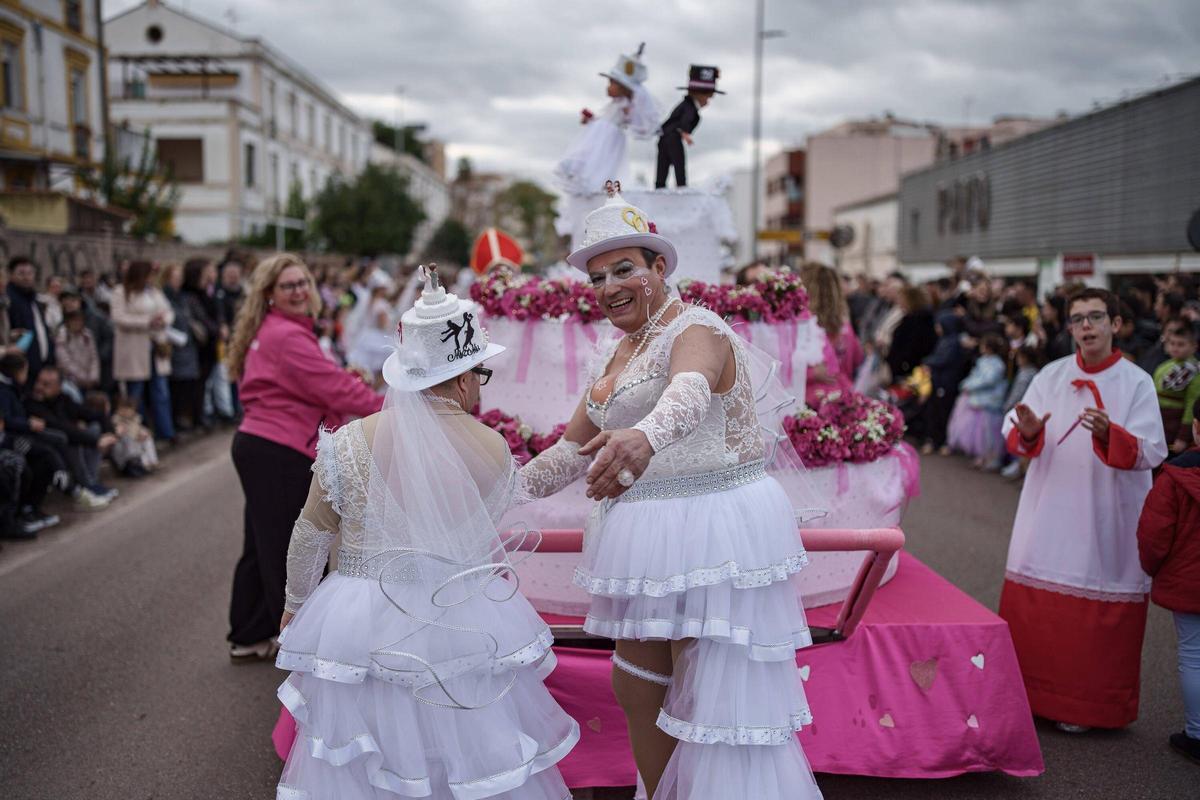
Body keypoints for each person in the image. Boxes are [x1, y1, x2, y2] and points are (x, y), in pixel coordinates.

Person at [518, 188, 823, 799]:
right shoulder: (620, 350)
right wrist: (487, 490)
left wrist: (643, 438)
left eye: (624, 269)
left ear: (660, 268)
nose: (608, 287)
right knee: (636, 688)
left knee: (705, 696)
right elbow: (567, 454)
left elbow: (689, 392)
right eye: (598, 277)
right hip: (648, 537)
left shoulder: (698, 328)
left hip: (713, 528)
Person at [275, 265, 578, 798]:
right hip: (459, 613)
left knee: (371, 753)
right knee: (460, 750)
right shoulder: (492, 449)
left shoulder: (348, 441)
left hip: (358, 616)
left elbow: (309, 535)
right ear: (463, 378)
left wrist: (297, 606)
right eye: (480, 375)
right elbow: (514, 497)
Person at [1001, 288, 1167, 732]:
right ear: (1069, 328)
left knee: (1096, 602)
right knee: (1038, 603)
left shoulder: (1137, 383)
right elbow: (1014, 428)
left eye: (1096, 317)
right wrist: (1030, 430)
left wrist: (1110, 434)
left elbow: (1153, 449)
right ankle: (1033, 695)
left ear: (1116, 324)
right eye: (1078, 319)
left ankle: (1086, 707)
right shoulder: (1050, 376)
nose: (1086, 326)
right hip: (1049, 506)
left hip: (1105, 513)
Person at [224, 253, 383, 662]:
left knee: (262, 541)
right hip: (279, 447)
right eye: (287, 285)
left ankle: (251, 632)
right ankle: (307, 642)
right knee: (294, 546)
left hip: (262, 443)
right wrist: (388, 409)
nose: (298, 291)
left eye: (302, 283)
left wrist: (348, 382)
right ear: (270, 294)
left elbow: (311, 382)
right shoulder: (287, 336)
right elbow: (330, 388)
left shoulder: (276, 330)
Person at [1137, 398, 1200, 764]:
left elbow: (1154, 534)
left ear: (1196, 427)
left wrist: (1151, 567)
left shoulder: (1176, 475)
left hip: (1190, 583)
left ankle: (1196, 733)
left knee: (1193, 656)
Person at [556, 44, 661, 198]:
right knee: (587, 153)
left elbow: (635, 122)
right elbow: (605, 116)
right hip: (598, 132)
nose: (608, 87)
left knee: (601, 160)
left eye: (612, 83)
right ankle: (577, 172)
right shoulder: (613, 105)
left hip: (608, 136)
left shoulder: (625, 105)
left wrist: (629, 112)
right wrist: (591, 119)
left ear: (622, 87)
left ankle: (593, 182)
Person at [24, 365, 118, 502]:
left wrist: (110, 433)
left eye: (46, 384)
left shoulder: (63, 398)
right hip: (50, 443)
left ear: (59, 386)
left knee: (94, 428)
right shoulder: (32, 403)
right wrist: (96, 440)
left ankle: (92, 481)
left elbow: (93, 414)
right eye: (38, 381)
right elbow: (60, 428)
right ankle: (86, 484)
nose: (39, 387)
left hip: (68, 439)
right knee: (72, 439)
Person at [110, 260, 175, 442]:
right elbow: (119, 317)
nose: (152, 279)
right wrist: (147, 321)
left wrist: (164, 320)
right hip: (134, 350)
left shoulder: (154, 292)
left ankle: (166, 432)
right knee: (135, 394)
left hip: (155, 348)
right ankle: (135, 435)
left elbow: (169, 311)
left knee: (160, 392)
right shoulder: (121, 292)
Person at [801, 262, 863, 405]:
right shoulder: (844, 324)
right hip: (843, 396)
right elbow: (857, 359)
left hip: (810, 400)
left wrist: (811, 374)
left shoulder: (804, 323)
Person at [947, 333, 1009, 470]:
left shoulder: (996, 364)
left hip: (989, 402)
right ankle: (982, 457)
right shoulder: (984, 361)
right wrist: (967, 384)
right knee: (980, 433)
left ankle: (991, 459)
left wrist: (970, 385)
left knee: (989, 434)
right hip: (979, 401)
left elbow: (988, 379)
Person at [655, 65, 722, 189]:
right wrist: (685, 134)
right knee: (678, 162)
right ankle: (681, 187)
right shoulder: (689, 107)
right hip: (673, 137)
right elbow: (685, 120)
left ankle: (660, 186)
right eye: (707, 97)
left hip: (665, 137)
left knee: (663, 164)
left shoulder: (686, 106)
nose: (708, 102)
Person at [916, 311, 970, 455]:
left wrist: (928, 362)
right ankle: (933, 440)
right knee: (934, 412)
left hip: (946, 383)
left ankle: (942, 441)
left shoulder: (953, 343)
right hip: (938, 381)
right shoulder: (944, 340)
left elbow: (945, 360)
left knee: (943, 413)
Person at [160, 263, 202, 433]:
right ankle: (176, 420)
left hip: (188, 346)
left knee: (188, 385)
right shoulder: (164, 297)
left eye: (180, 278)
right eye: (175, 278)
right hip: (175, 347)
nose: (178, 281)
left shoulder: (184, 298)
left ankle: (185, 418)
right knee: (176, 386)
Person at [1151, 322, 1200, 452]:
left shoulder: (1195, 371)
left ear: (1194, 346)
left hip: (1176, 425)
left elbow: (1191, 406)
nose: (1175, 348)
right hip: (1157, 421)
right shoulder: (1163, 366)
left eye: (1181, 344)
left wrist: (1183, 437)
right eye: (1172, 343)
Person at [6, 257, 55, 379]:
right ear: (11, 275)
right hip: (19, 369)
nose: (26, 277)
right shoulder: (9, 301)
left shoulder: (34, 300)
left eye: (30, 273)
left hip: (40, 368)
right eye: (21, 273)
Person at [54, 309, 100, 401]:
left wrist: (93, 376)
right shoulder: (62, 336)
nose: (77, 323)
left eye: (80, 320)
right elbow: (65, 363)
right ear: (68, 322)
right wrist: (83, 378)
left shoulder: (87, 335)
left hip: (89, 380)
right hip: (70, 380)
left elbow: (94, 357)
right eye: (74, 320)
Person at [110, 394, 157, 476]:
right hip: (125, 447)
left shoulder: (136, 418)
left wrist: (143, 432)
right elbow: (119, 435)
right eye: (123, 409)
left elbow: (140, 428)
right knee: (131, 441)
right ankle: (138, 465)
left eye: (129, 409)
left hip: (136, 441)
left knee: (147, 439)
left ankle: (151, 461)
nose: (126, 412)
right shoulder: (116, 420)